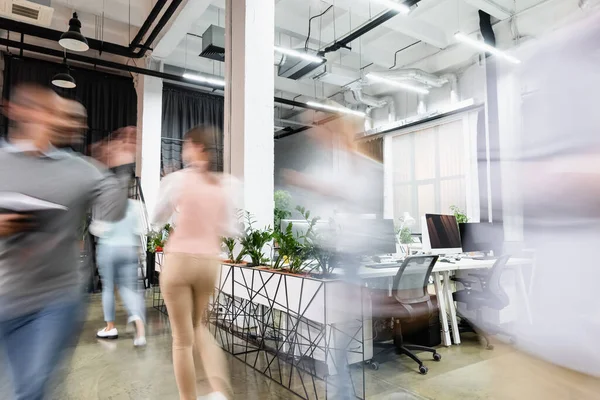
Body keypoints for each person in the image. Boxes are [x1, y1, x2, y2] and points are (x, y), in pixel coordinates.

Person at [0, 84, 134, 400]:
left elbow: (112, 213)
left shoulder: (79, 169)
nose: (54, 119)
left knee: (32, 388)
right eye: (45, 110)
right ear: (16, 111)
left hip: (56, 298)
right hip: (5, 295)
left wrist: (120, 167)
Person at [282, 116, 384, 399]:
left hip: (352, 261)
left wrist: (306, 182)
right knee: (339, 338)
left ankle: (342, 396)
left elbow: (342, 191)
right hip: (345, 259)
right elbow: (334, 192)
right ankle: (342, 395)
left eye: (337, 134)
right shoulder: (346, 166)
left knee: (339, 340)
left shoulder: (365, 169)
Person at [152, 125, 233, 400]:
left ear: (196, 147)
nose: (185, 150)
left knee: (182, 340)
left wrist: (175, 202)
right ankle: (220, 390)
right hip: (209, 262)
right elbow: (229, 227)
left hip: (180, 261)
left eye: (187, 145)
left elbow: (156, 218)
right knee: (199, 327)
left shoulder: (177, 181)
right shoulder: (223, 185)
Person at [91, 196, 147, 347]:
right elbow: (141, 229)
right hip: (129, 249)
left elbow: (97, 228)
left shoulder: (105, 202)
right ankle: (140, 331)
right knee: (129, 289)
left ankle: (110, 328)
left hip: (109, 249)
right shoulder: (137, 205)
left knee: (108, 288)